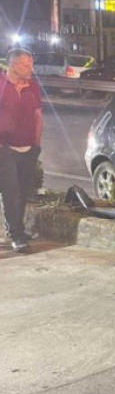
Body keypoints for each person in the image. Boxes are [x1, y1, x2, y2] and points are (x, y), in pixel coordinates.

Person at [0, 48, 43, 252]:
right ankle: (16, 235)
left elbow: (38, 116)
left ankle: (17, 229)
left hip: (28, 148)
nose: (31, 69)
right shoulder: (1, 84)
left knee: (23, 191)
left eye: (31, 64)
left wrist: (37, 144)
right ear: (14, 65)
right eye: (26, 65)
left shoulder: (32, 87)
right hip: (4, 148)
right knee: (11, 191)